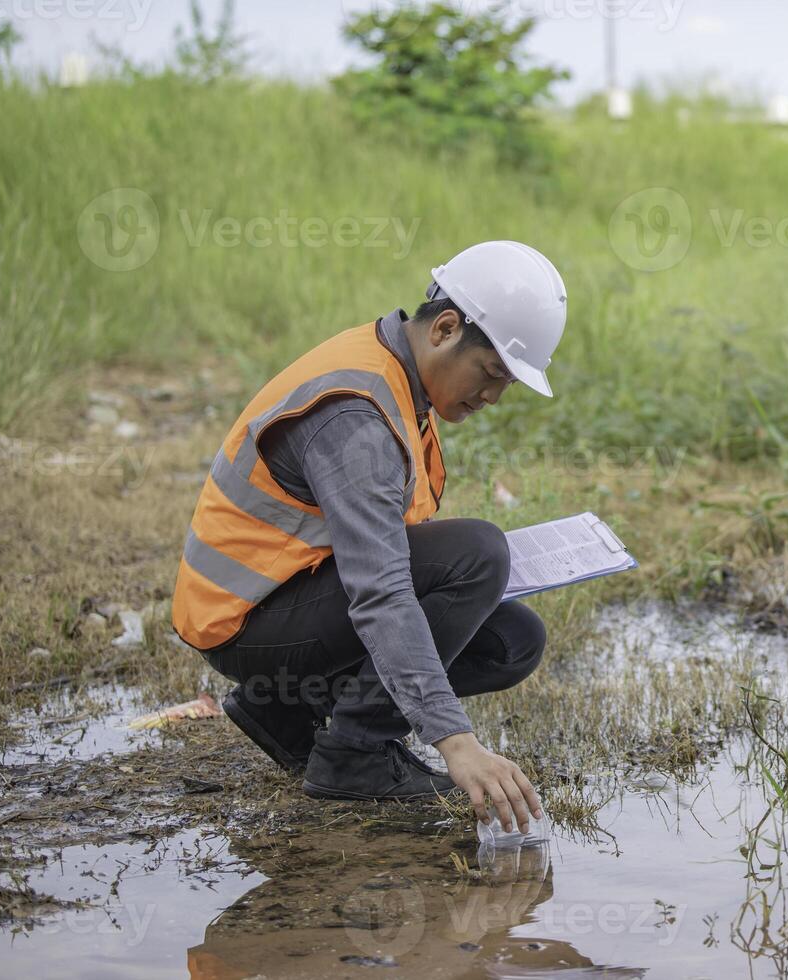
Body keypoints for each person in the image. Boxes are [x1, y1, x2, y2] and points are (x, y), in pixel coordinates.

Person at [170, 241, 567, 833]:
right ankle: (353, 754)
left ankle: (284, 702)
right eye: (490, 373)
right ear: (446, 329)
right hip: (245, 622)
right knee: (477, 554)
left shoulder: (398, 375)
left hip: (290, 603)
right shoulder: (355, 415)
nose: (492, 398)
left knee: (513, 640)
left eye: (506, 384)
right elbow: (380, 589)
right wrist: (456, 742)